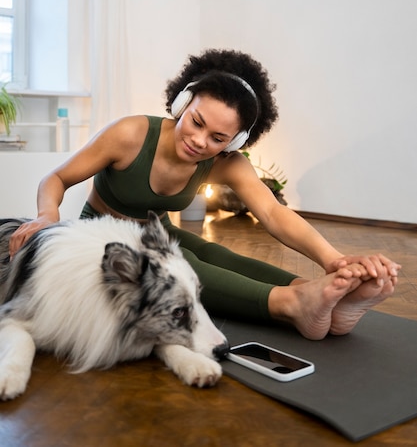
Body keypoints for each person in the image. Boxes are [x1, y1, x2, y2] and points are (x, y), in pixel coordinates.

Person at [9, 49, 400, 340]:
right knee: (184, 264)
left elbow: (274, 215)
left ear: (237, 140)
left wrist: (334, 260)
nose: (199, 141)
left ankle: (320, 296)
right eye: (196, 122)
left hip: (156, 233)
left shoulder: (228, 161)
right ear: (183, 103)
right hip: (106, 240)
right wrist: (47, 215)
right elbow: (55, 179)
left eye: (218, 138)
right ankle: (292, 304)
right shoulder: (130, 134)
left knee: (214, 254)